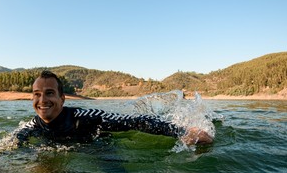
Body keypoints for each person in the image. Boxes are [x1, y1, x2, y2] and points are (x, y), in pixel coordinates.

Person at [13, 71, 213, 146]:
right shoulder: (30, 126)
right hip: (62, 148)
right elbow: (8, 145)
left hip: (96, 146)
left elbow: (135, 121)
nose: (42, 100)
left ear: (62, 98)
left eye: (49, 93)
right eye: (37, 94)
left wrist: (183, 131)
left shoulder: (84, 116)